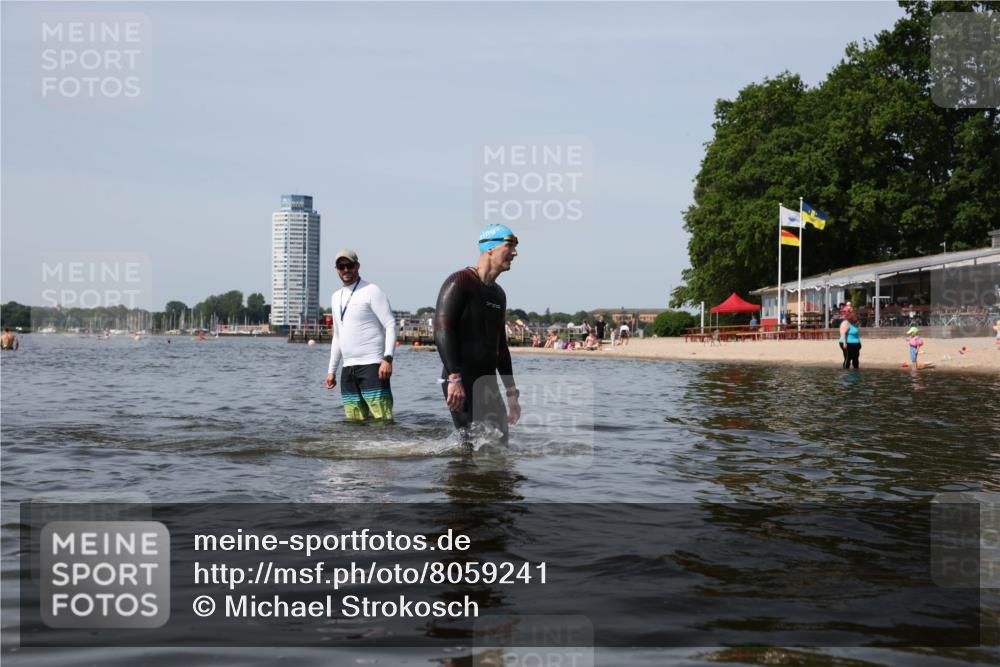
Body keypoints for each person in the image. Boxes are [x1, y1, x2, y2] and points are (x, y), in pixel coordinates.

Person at [434, 224, 521, 444]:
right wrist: (454, 378)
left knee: (500, 443)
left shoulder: (498, 294)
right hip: (460, 379)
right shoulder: (460, 282)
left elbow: (500, 348)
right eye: (509, 246)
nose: (515, 253)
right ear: (489, 248)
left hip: (487, 381)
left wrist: (512, 393)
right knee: (472, 446)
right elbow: (442, 331)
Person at [325, 249, 397, 421]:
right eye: (341, 266)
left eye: (349, 265)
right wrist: (331, 371)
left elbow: (391, 325)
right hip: (348, 369)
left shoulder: (372, 291)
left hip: (373, 366)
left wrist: (387, 359)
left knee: (382, 419)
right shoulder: (335, 297)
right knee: (354, 422)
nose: (345, 270)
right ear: (336, 269)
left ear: (357, 266)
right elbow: (338, 336)